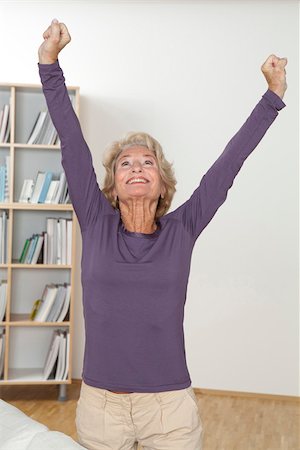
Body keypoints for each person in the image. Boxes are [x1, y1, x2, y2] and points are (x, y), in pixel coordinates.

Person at [38, 18, 287, 450]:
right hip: (102, 408)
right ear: (111, 186)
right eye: (126, 163)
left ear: (163, 183)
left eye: (147, 162)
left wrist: (272, 97)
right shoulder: (96, 222)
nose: (136, 166)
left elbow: (228, 166)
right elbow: (71, 142)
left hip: (170, 410)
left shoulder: (182, 229)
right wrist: (49, 64)